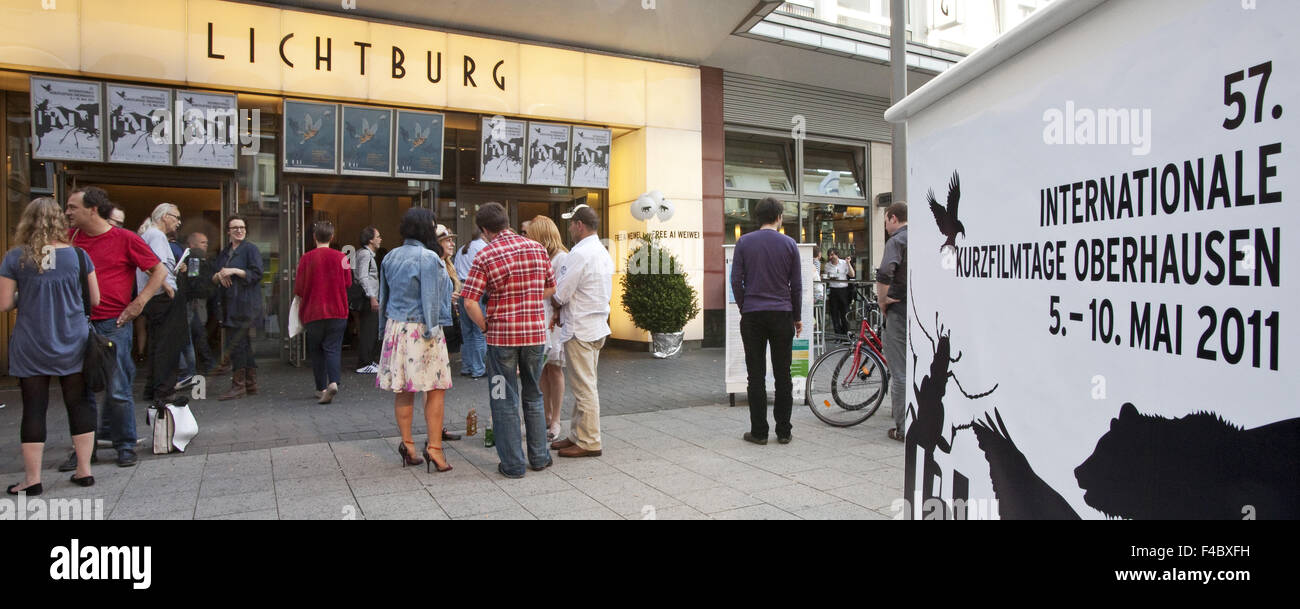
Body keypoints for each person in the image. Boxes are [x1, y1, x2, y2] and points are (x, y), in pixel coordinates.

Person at [1, 198, 99, 494]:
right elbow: (94, 299)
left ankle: (32, 480)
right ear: (60, 222)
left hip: (32, 343)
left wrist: (27, 296)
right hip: (73, 341)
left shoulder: (15, 257)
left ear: (26, 222)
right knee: (78, 403)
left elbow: (4, 303)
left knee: (33, 408)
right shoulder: (80, 257)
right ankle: (84, 471)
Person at [65, 186, 166, 469]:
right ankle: (85, 450)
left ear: (92, 209)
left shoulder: (125, 239)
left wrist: (139, 303)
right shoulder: (69, 239)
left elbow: (159, 270)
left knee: (118, 387)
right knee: (79, 390)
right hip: (77, 323)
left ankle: (125, 445)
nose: (68, 212)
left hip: (113, 323)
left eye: (73, 207)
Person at [461, 202, 556, 478]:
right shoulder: (536, 248)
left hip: (502, 339)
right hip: (535, 337)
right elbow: (551, 287)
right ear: (506, 221)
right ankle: (539, 457)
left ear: (484, 230)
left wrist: (485, 326)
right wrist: (526, 300)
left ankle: (513, 464)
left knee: (503, 398)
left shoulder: (486, 255)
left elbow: (469, 302)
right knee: (534, 394)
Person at [376, 208, 454, 473]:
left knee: (404, 388)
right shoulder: (429, 257)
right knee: (435, 389)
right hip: (422, 329)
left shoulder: (389, 256)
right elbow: (431, 299)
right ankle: (434, 448)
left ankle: (408, 444)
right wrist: (435, 329)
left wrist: (381, 329)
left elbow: (383, 296)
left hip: (395, 327)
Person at [730, 196, 802, 445]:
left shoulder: (744, 243)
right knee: (783, 374)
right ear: (780, 217)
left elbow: (736, 281)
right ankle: (784, 431)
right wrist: (798, 317)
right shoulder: (790, 244)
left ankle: (759, 432)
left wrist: (744, 306)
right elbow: (797, 286)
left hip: (752, 315)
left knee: (755, 375)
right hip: (782, 313)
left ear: (757, 218)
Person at [549, 204, 613, 457]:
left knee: (584, 387)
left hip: (580, 327)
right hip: (596, 326)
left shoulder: (579, 253)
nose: (570, 229)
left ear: (579, 225)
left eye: (571, 224)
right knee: (584, 384)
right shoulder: (602, 251)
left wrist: (552, 303)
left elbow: (561, 293)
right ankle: (578, 434)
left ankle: (589, 441)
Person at [295, 221, 352, 404]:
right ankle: (333, 381)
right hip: (338, 310)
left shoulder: (306, 258)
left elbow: (299, 288)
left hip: (313, 311)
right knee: (333, 348)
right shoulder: (342, 257)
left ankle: (321, 387)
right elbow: (348, 283)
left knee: (317, 350)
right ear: (332, 237)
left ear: (314, 237)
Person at [136, 204, 186, 402]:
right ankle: (164, 391)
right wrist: (166, 286)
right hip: (162, 296)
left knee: (157, 343)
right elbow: (152, 265)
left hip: (156, 296)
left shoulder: (148, 235)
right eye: (176, 217)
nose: (178, 222)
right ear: (165, 216)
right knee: (168, 345)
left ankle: (153, 387)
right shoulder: (156, 236)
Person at [526, 215, 569, 442]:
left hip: (552, 318)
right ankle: (545, 415)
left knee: (554, 368)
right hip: (539, 317)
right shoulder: (538, 255)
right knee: (542, 368)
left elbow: (560, 293)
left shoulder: (561, 258)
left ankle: (556, 420)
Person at [213, 214, 264, 400]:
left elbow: (257, 273)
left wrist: (234, 271)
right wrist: (220, 275)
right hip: (229, 305)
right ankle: (250, 384)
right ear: (228, 232)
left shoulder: (250, 249)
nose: (239, 231)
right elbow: (215, 275)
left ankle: (238, 385)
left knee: (237, 345)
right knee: (243, 344)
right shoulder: (225, 252)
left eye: (242, 227)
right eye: (235, 228)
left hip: (245, 305)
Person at [876, 202, 908, 442]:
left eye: (886, 220)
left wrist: (883, 301)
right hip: (924, 310)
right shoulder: (925, 237)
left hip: (899, 308)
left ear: (893, 218)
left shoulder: (896, 241)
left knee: (900, 371)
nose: (885, 226)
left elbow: (886, 272)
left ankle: (903, 428)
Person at [452, 230, 487, 378]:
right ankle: (479, 368)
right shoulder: (483, 247)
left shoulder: (462, 249)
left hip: (462, 289)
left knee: (466, 332)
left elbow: (454, 269)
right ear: (484, 234)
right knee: (479, 330)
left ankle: (467, 366)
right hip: (477, 289)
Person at [183, 231, 216, 374]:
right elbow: (193, 279)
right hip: (192, 301)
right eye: (203, 242)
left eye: (207, 243)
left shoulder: (197, 259)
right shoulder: (195, 258)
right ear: (192, 244)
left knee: (196, 334)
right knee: (195, 334)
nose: (206, 246)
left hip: (195, 301)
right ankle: (203, 365)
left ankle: (202, 365)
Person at [353, 226, 382, 374]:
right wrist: (372, 296)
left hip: (368, 296)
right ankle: (364, 363)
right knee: (368, 330)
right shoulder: (365, 255)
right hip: (368, 297)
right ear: (370, 239)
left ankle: (369, 360)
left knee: (370, 329)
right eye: (377, 236)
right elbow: (363, 276)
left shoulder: (363, 253)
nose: (380, 239)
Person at [824, 248, 855, 337]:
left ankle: (846, 334)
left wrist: (848, 263)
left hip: (843, 290)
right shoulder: (827, 265)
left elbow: (852, 275)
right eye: (829, 255)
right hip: (833, 290)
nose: (830, 257)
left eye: (832, 254)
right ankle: (838, 335)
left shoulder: (844, 263)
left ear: (837, 255)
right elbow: (826, 277)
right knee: (834, 314)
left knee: (844, 313)